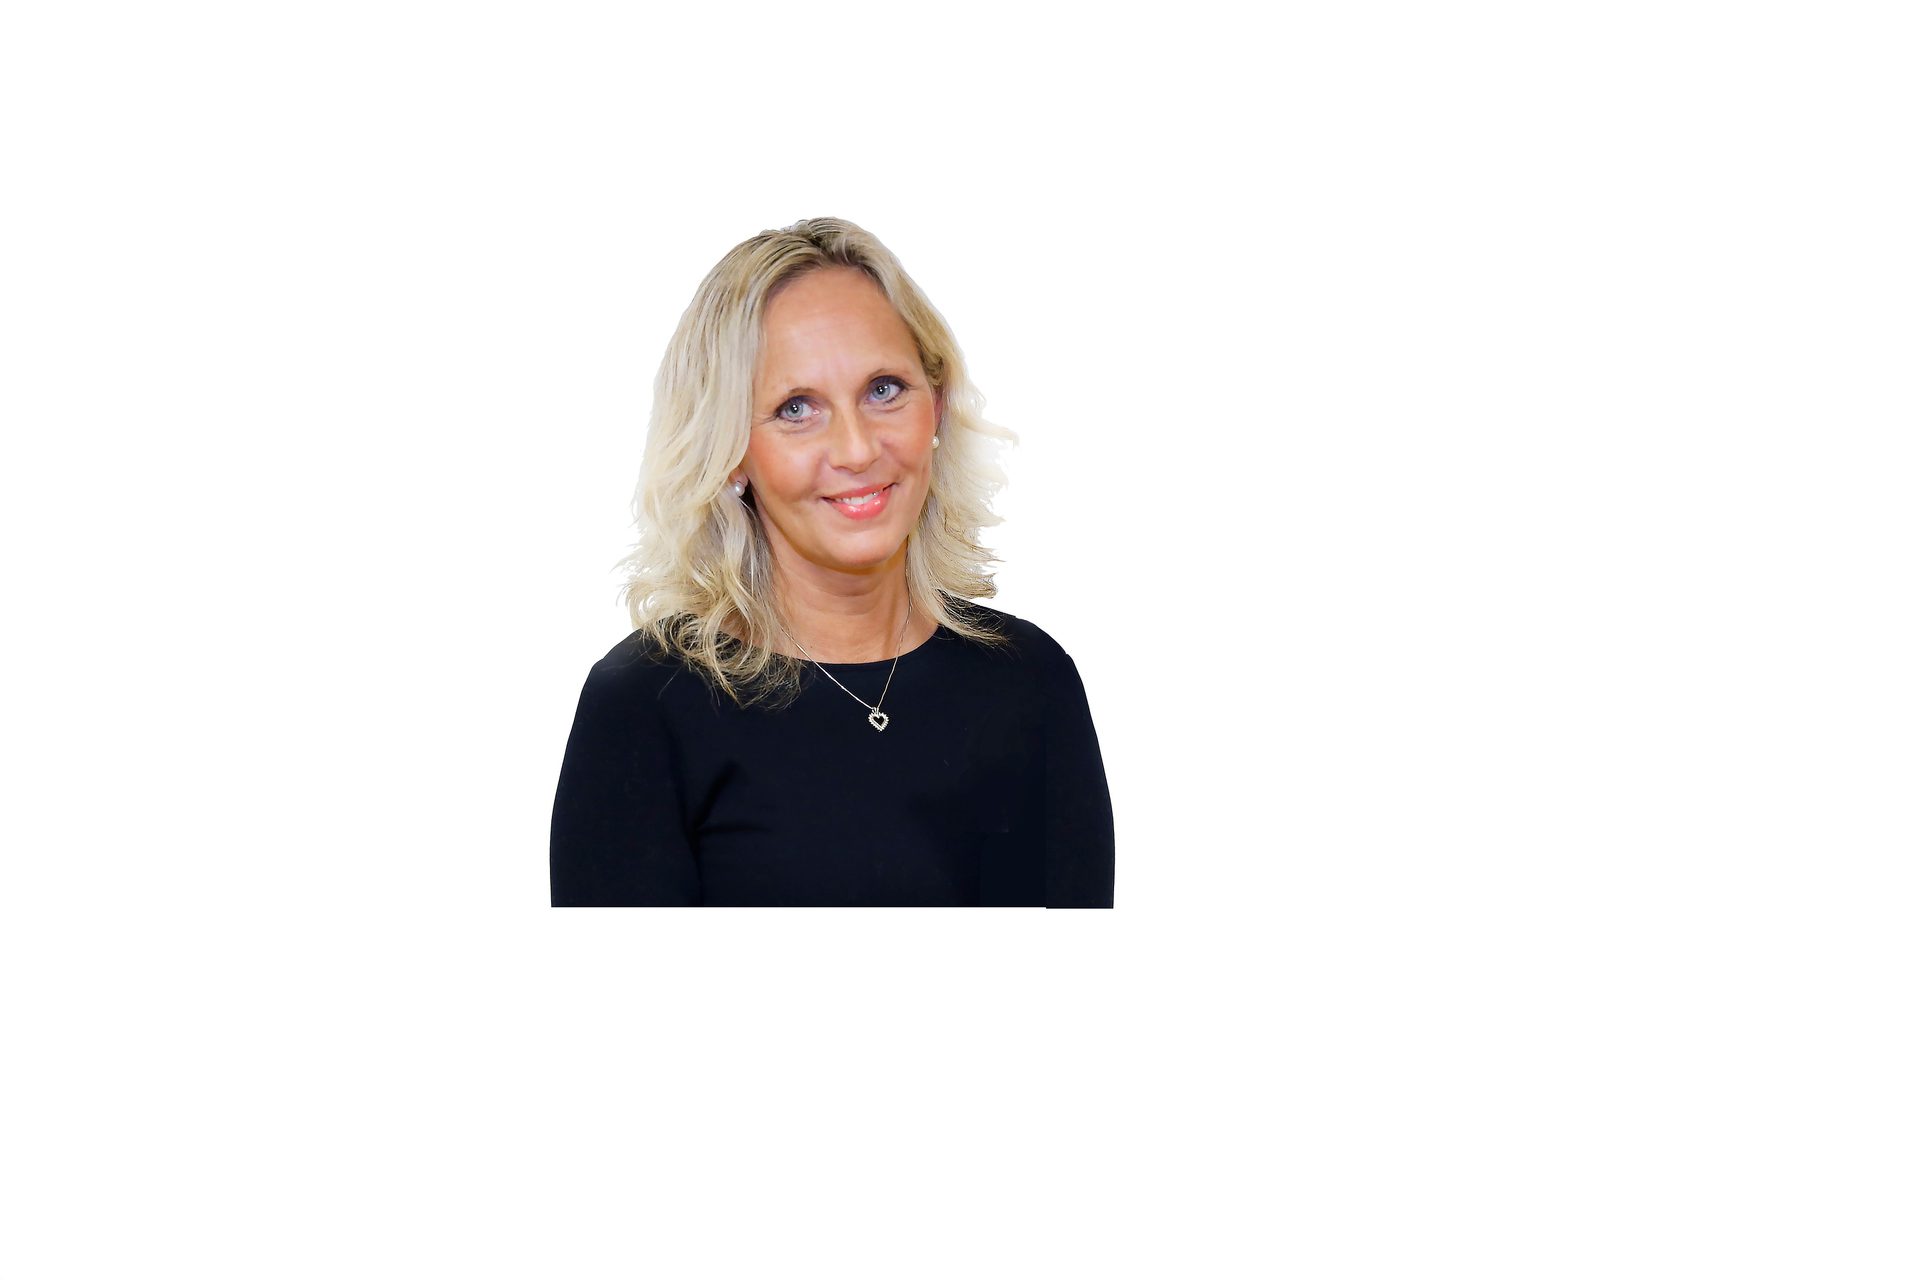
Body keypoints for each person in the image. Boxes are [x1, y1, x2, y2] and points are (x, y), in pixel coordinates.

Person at [550, 217, 1114, 907]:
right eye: (797, 408)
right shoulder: (645, 707)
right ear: (729, 454)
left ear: (935, 406)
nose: (855, 448)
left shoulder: (1033, 682)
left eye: (884, 389)